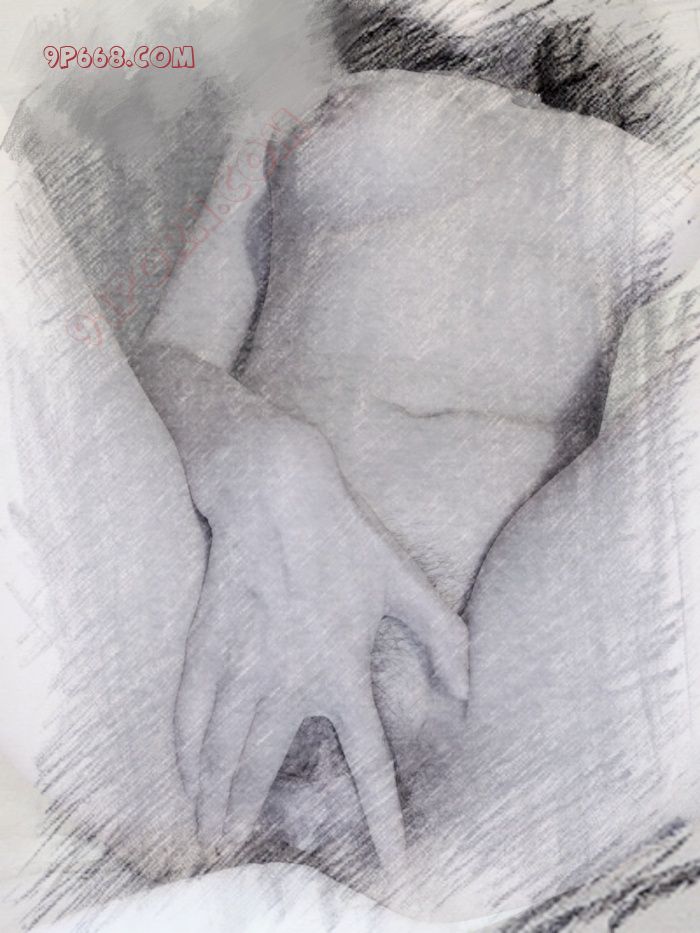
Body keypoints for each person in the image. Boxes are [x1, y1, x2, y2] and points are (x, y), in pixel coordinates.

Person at [1, 66, 698, 920]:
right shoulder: (307, 103)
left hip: (494, 707)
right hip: (195, 654)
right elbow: (159, 364)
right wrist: (265, 462)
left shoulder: (667, 158)